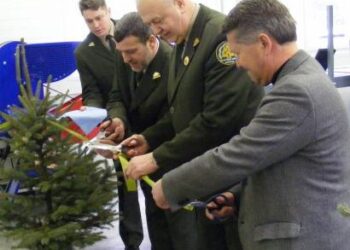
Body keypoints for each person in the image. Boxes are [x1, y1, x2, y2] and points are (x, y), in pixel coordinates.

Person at [151, 0, 350, 249]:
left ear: (264, 43)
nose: (237, 63)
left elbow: (238, 155)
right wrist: (236, 196)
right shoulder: (303, 78)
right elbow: (283, 163)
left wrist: (170, 187)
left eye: (238, 52)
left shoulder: (296, 93)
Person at [115, 0, 264, 249]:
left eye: (158, 21)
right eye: (149, 23)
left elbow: (217, 120)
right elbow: (182, 111)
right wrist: (149, 139)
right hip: (206, 177)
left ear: (180, 3)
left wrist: (157, 158)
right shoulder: (182, 41)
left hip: (233, 180)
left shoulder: (220, 37)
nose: (154, 30)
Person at [74, 1, 143, 249]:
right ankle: (132, 242)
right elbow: (92, 91)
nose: (96, 25)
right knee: (127, 188)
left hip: (147, 119)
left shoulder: (133, 29)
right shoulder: (84, 53)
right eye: (89, 21)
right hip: (116, 127)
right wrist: (91, 114)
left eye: (99, 18)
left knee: (159, 180)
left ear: (109, 12)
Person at [103, 12, 173, 250]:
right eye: (121, 52)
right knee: (156, 229)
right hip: (139, 158)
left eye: (131, 52)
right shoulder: (124, 56)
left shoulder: (172, 63)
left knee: (179, 233)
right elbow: (116, 96)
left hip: (168, 160)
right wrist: (118, 120)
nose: (125, 59)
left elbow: (176, 117)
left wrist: (147, 139)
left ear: (152, 41)